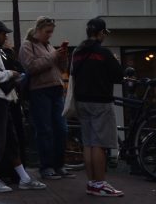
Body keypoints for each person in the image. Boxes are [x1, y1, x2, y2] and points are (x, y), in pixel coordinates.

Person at [0, 19, 46, 193]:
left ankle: (23, 177)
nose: (5, 36)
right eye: (3, 33)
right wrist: (12, 73)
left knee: (9, 141)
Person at [72, 17, 125, 197]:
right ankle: (100, 183)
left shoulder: (78, 52)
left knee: (88, 142)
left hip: (81, 101)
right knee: (100, 144)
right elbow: (119, 76)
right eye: (104, 33)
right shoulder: (104, 53)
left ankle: (91, 183)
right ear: (101, 33)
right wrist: (115, 61)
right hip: (100, 101)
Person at [19, 16, 73, 181]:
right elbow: (31, 67)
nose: (50, 35)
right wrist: (53, 56)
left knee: (61, 129)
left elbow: (62, 68)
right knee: (45, 130)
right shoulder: (27, 46)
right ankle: (46, 166)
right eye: (47, 32)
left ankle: (59, 165)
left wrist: (62, 56)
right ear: (38, 30)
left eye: (51, 32)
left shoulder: (48, 46)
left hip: (56, 89)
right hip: (39, 90)